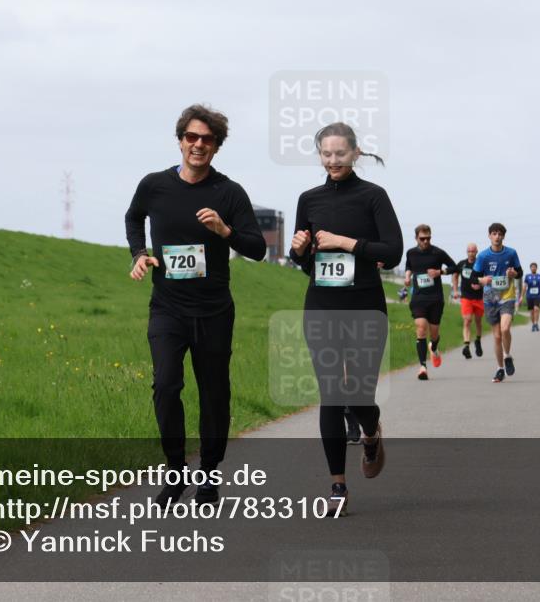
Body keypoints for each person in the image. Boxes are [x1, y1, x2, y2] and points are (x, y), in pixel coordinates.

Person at [126, 104, 267, 506]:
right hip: (167, 307)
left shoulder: (229, 192)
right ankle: (175, 470)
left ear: (217, 146)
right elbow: (133, 218)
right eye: (191, 137)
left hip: (214, 310)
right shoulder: (154, 185)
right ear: (180, 140)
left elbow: (257, 248)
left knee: (214, 393)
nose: (198, 144)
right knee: (166, 385)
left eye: (207, 139)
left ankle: (208, 473)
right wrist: (138, 253)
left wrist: (225, 230)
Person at [290, 122, 403, 517]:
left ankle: (371, 433)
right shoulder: (309, 199)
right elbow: (305, 265)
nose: (333, 160)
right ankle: (337, 484)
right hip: (321, 306)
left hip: (365, 307)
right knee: (331, 394)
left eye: (340, 153)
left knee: (358, 395)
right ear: (319, 155)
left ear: (355, 153)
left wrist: (346, 243)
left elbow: (393, 253)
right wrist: (299, 249)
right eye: (326, 154)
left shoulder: (374, 197)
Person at [469, 223, 523, 383]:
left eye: (500, 234)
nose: (497, 237)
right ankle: (500, 369)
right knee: (497, 336)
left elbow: (520, 272)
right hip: (490, 298)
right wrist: (482, 279)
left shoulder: (511, 253)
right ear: (489, 236)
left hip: (507, 295)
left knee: (505, 328)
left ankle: (507, 356)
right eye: (494, 233)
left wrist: (514, 273)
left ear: (503, 236)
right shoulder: (483, 256)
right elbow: (473, 277)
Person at [404, 225, 458, 380]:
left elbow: (455, 267)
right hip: (419, 298)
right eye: (422, 239)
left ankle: (433, 347)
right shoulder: (411, 253)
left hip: (435, 299)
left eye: (428, 238)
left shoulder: (438, 253)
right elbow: (409, 266)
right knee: (421, 328)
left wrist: (440, 272)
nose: (426, 241)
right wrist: (407, 277)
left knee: (434, 334)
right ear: (416, 238)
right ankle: (422, 367)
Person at [451, 243, 484, 359]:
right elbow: (454, 275)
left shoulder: (480, 264)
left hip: (478, 298)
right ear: (467, 252)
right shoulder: (462, 264)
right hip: (466, 297)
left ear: (476, 252)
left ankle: (478, 341)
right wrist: (455, 290)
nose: (471, 253)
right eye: (469, 251)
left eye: (473, 251)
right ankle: (466, 346)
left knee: (478, 321)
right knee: (467, 320)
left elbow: (486, 278)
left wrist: (480, 285)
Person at [521, 262, 540, 332]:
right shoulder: (527, 276)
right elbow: (524, 287)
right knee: (531, 311)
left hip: (538, 295)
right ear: (530, 268)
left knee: (536, 309)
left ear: (536, 268)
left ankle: (536, 323)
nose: (533, 268)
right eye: (532, 267)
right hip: (529, 296)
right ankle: (533, 324)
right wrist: (522, 296)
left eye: (534, 267)